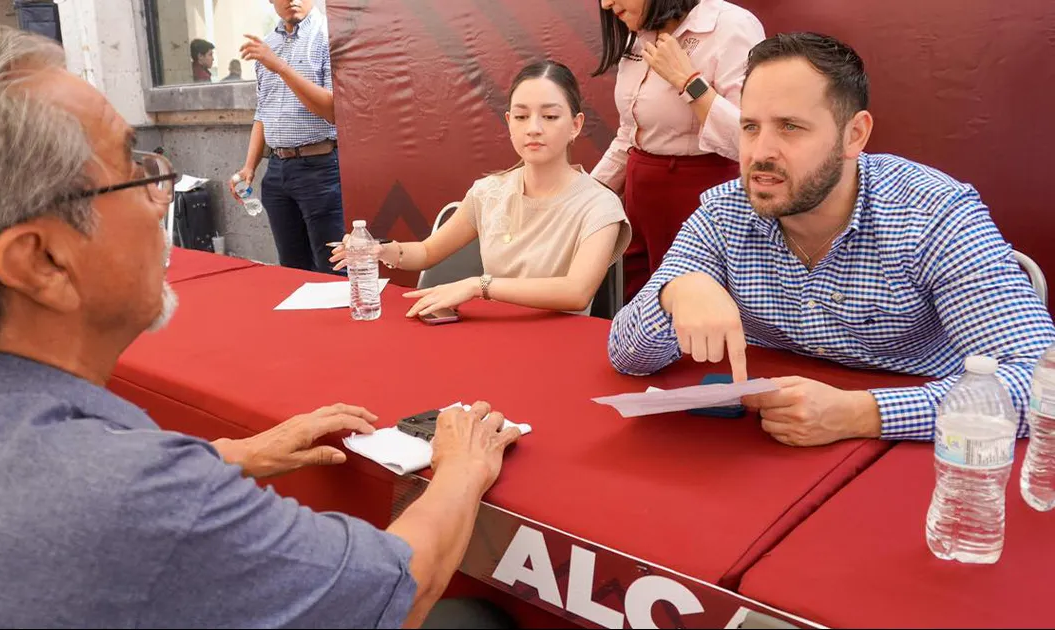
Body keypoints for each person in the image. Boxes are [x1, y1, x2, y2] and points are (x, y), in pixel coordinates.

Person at [0, 25, 522, 628]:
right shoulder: (133, 501)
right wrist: (462, 467)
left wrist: (232, 453)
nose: (161, 197)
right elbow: (397, 586)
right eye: (135, 173)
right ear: (43, 261)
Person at [607, 32, 1055, 446]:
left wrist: (863, 414)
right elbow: (626, 355)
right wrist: (676, 290)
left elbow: (1042, 389)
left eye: (790, 127)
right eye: (749, 127)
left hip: (918, 451)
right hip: (765, 444)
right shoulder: (725, 213)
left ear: (854, 134)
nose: (760, 152)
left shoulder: (935, 214)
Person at [330, 61, 632, 318]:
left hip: (561, 343)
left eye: (550, 116)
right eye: (522, 116)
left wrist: (479, 286)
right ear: (509, 122)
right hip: (491, 334)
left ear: (576, 125)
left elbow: (576, 292)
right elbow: (426, 252)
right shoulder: (489, 192)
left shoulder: (599, 205)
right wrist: (380, 250)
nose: (533, 128)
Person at [592, 0, 765, 301]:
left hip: (698, 202)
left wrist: (688, 83)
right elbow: (629, 135)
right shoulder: (639, 33)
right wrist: (584, 197)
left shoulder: (731, 25)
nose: (606, 3)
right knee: (640, 312)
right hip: (640, 205)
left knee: (692, 313)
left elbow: (751, 139)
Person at [233, 0, 345, 274]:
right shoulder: (268, 44)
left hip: (321, 169)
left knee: (333, 269)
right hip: (277, 171)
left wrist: (280, 66)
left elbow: (333, 110)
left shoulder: (328, 36)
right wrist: (249, 167)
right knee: (292, 271)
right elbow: (264, 111)